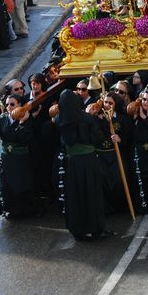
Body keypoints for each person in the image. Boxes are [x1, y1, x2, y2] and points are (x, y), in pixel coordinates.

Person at [55, 89, 110, 240]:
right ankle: (96, 228)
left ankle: (77, 229)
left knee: (75, 195)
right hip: (88, 160)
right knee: (92, 193)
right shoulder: (86, 118)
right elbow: (97, 138)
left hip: (72, 162)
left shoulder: (60, 119)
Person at [0, 94, 41, 219]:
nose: (9, 107)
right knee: (6, 184)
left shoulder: (27, 119)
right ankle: (8, 209)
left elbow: (25, 138)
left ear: (19, 105)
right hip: (7, 158)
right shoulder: (3, 118)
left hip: (21, 158)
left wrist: (21, 123)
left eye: (12, 104)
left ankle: (25, 211)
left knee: (21, 184)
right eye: (7, 104)